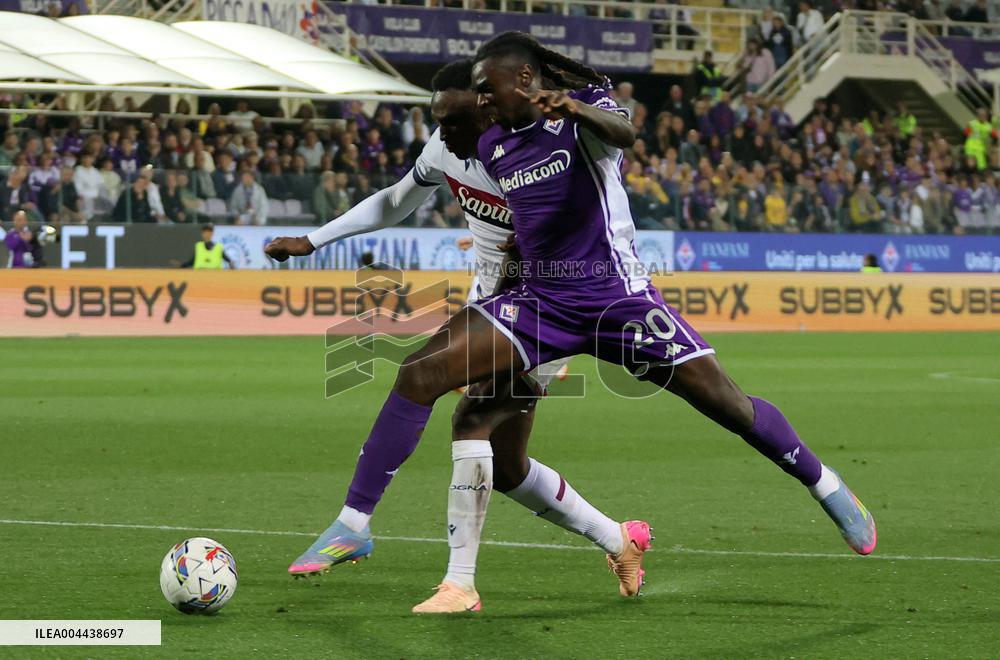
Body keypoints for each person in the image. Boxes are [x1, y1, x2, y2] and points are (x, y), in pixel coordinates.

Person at [275, 34, 876, 613]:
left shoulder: (579, 120)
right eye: (467, 106)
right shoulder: (482, 144)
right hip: (538, 303)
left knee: (726, 406)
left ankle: (825, 484)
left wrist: (578, 107)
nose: (468, 118)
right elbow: (424, 199)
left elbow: (624, 132)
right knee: (428, 380)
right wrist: (321, 239)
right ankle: (364, 527)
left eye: (483, 97)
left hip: (618, 300)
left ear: (526, 82)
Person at [265, 59, 632, 611]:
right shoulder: (447, 147)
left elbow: (594, 214)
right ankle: (619, 540)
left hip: (545, 309)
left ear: (491, 109)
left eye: (456, 122)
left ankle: (427, 565)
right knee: (508, 468)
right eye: (438, 122)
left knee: (453, 405)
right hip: (490, 306)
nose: (445, 136)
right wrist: (313, 240)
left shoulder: (538, 151)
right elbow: (395, 199)